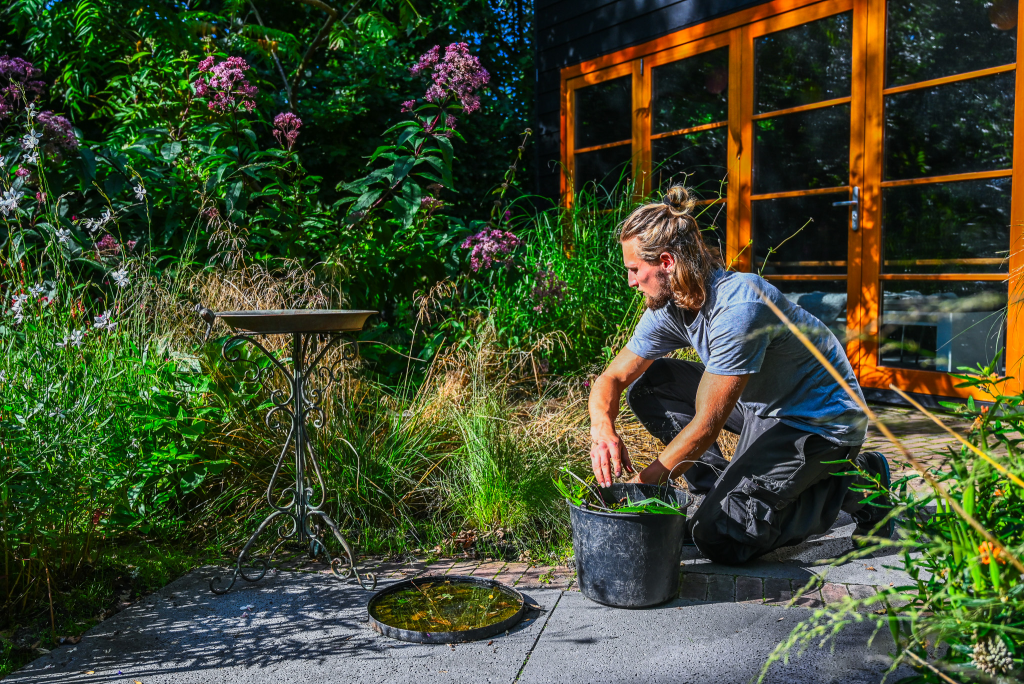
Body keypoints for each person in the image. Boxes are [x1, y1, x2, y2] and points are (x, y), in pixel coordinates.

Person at [587, 185, 892, 565]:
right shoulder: (670, 306)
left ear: (666, 262)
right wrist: (603, 430)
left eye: (635, 270)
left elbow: (705, 426)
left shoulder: (738, 308)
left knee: (720, 539)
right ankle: (718, 493)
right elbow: (611, 379)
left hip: (819, 420)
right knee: (651, 385)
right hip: (763, 405)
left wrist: (642, 487)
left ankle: (860, 481)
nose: (631, 281)